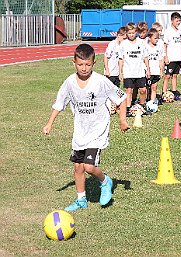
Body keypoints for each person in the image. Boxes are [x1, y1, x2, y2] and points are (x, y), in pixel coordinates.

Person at [42, 44, 130, 211]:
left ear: (94, 63)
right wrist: (49, 123)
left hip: (98, 131)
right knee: (78, 167)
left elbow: (122, 97)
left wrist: (122, 120)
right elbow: (59, 103)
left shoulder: (101, 81)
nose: (84, 68)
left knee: (89, 167)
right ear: (73, 62)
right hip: (80, 132)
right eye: (80, 64)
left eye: (87, 65)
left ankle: (105, 182)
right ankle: (81, 200)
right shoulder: (69, 83)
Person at [119, 22, 151, 116]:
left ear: (136, 32)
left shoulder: (141, 43)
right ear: (126, 33)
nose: (131, 35)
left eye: (133, 33)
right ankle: (128, 109)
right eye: (129, 33)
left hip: (140, 71)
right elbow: (121, 59)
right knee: (129, 90)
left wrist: (148, 70)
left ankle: (142, 106)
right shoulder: (123, 44)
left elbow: (145, 57)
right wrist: (120, 72)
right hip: (128, 71)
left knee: (143, 90)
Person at [163, 12, 181, 101]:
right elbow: (165, 45)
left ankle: (174, 93)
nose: (178, 22)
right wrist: (165, 56)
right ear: (172, 21)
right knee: (167, 76)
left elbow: (180, 46)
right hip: (171, 58)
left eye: (179, 20)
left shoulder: (179, 32)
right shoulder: (168, 31)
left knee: (175, 75)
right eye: (177, 20)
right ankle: (164, 93)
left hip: (177, 58)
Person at [131, 21, 149, 104]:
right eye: (140, 33)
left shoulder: (149, 40)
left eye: (144, 32)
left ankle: (145, 101)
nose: (142, 34)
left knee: (145, 86)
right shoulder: (136, 40)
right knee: (135, 86)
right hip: (136, 66)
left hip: (146, 65)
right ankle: (133, 100)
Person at [146, 28, 164, 102]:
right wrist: (147, 70)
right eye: (155, 38)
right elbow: (145, 59)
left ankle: (152, 102)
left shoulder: (158, 48)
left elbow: (160, 60)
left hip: (156, 71)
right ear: (149, 38)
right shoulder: (146, 47)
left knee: (154, 87)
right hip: (149, 71)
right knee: (147, 87)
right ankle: (146, 100)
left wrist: (161, 71)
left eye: (158, 38)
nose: (157, 40)